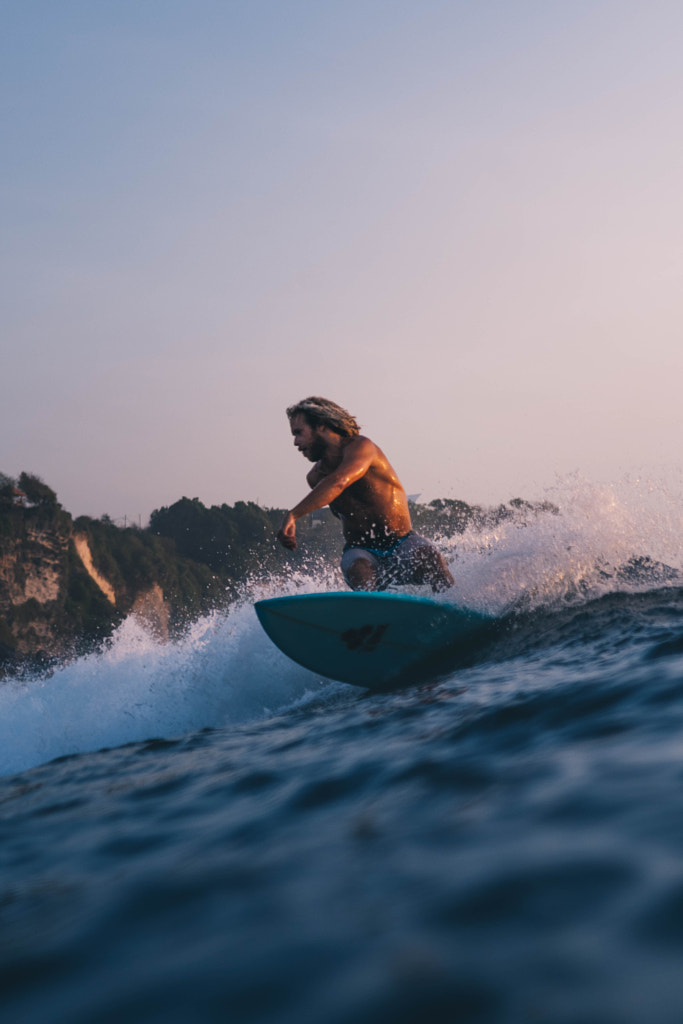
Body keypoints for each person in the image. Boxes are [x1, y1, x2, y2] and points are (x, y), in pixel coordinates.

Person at [277, 397, 454, 592]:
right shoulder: (315, 477)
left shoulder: (362, 447)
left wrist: (293, 515)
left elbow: (340, 481)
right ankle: (373, 618)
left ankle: (456, 612)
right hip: (361, 552)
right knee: (360, 571)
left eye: (299, 433)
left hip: (402, 543)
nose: (295, 442)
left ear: (320, 426)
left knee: (430, 557)